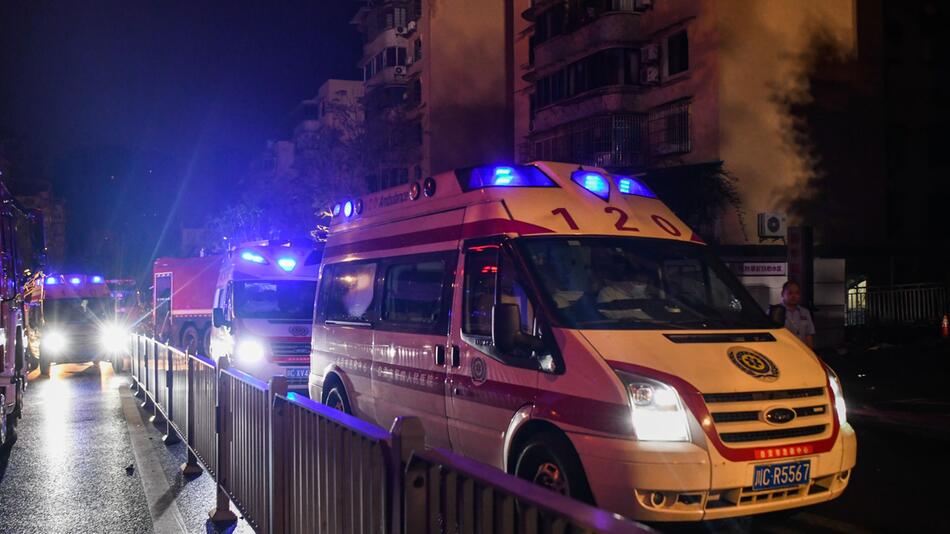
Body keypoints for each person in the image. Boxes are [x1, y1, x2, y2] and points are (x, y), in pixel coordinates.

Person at [780, 280, 815, 348]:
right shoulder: (775, 311)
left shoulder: (805, 312)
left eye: (797, 293)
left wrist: (811, 352)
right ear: (782, 294)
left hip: (801, 350)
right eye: (790, 293)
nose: (794, 296)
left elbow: (809, 334)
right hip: (783, 350)